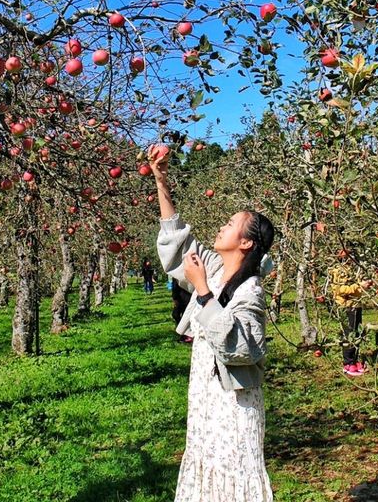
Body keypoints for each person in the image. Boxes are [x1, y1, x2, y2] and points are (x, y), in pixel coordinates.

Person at [149, 145, 275, 502]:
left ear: (246, 242)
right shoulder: (219, 271)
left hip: (233, 410)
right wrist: (161, 183)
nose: (222, 226)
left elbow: (242, 349)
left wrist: (202, 291)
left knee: (232, 484)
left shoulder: (249, 291)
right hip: (207, 405)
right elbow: (179, 244)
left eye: (231, 224)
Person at [329, 262, 367, 377]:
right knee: (349, 334)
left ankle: (355, 360)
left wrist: (364, 285)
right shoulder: (337, 270)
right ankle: (347, 363)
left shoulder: (355, 267)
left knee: (358, 333)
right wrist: (358, 286)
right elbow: (340, 290)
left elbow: (358, 287)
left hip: (356, 305)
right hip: (346, 306)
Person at [171, 276, 193, 343]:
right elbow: (174, 285)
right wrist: (175, 298)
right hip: (179, 297)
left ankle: (187, 335)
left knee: (186, 316)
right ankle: (184, 333)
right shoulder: (176, 274)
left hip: (188, 297)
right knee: (175, 314)